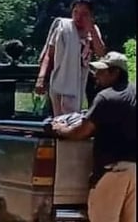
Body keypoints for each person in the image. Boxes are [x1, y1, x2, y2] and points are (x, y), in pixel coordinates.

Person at [51, 52, 135, 222]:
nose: (96, 75)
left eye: (102, 71)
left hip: (113, 171)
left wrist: (60, 129)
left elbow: (82, 132)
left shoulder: (106, 98)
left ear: (115, 73)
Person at [35, 0, 106, 115]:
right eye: (76, 12)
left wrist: (91, 30)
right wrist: (41, 78)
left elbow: (101, 53)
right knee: (58, 120)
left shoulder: (93, 30)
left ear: (91, 15)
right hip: (59, 80)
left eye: (84, 14)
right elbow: (49, 55)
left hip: (80, 80)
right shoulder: (63, 28)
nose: (79, 17)